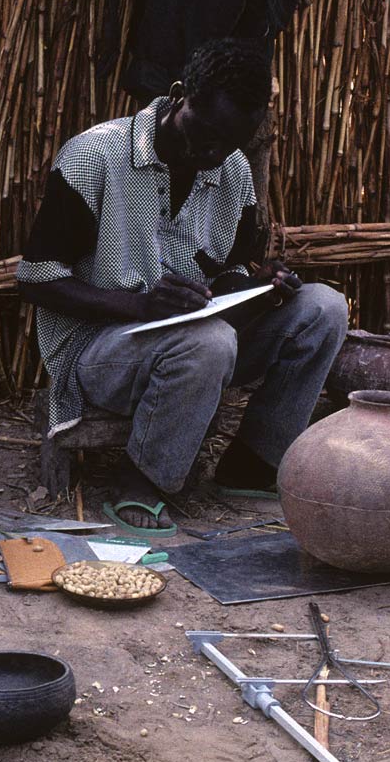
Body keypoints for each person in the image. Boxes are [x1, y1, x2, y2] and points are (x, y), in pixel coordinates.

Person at [17, 38, 346, 532]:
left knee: (323, 307)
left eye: (230, 143)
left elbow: (230, 269)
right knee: (207, 342)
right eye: (206, 132)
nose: (212, 152)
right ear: (179, 96)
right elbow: (37, 280)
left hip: (196, 344)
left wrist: (260, 286)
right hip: (98, 350)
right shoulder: (95, 156)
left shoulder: (230, 170)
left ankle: (253, 463)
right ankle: (144, 479)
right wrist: (139, 306)